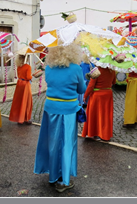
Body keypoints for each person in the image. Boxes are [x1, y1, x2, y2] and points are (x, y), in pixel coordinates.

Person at [34, 42, 86, 193]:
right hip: (68, 110)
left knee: (52, 142)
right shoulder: (76, 68)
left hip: (50, 108)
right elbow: (81, 89)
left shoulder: (49, 67)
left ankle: (53, 176)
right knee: (67, 144)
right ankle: (63, 181)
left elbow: (50, 84)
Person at [81, 66, 116, 141]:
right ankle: (104, 134)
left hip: (97, 95)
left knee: (95, 114)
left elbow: (91, 85)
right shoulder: (112, 70)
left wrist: (85, 95)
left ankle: (93, 133)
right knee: (105, 115)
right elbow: (114, 82)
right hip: (108, 94)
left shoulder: (97, 70)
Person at [9, 54, 33, 124]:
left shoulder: (18, 67)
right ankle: (25, 119)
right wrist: (32, 75)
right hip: (25, 85)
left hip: (19, 83)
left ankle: (19, 118)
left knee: (19, 101)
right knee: (26, 101)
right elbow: (28, 77)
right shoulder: (28, 67)